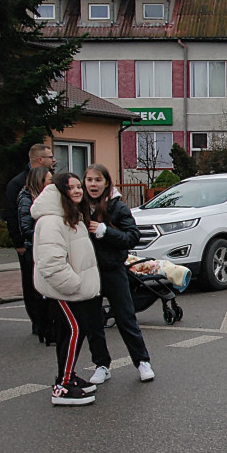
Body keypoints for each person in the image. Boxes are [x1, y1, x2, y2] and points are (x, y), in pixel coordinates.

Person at [31, 173, 101, 406]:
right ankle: (63, 386)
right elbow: (51, 262)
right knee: (74, 330)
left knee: (69, 333)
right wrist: (74, 285)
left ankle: (66, 375)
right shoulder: (52, 220)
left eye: (79, 186)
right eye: (71, 188)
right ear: (61, 192)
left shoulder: (71, 215)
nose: (78, 191)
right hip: (64, 291)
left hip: (71, 290)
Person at [82, 164, 155, 385]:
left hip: (113, 270)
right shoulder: (79, 206)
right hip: (88, 272)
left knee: (125, 317)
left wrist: (107, 231)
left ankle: (142, 361)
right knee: (93, 322)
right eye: (89, 180)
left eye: (98, 180)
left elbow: (133, 236)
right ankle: (102, 365)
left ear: (106, 183)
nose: (93, 185)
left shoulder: (117, 207)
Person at [4, 143, 55, 340]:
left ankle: (49, 321)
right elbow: (12, 216)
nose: (54, 161)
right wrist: (18, 243)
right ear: (40, 160)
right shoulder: (18, 185)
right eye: (50, 157)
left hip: (46, 244)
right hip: (29, 244)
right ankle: (38, 322)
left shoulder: (50, 182)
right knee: (31, 284)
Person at [17, 167, 54, 344]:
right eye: (48, 180)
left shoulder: (46, 198)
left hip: (44, 247)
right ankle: (42, 328)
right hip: (34, 250)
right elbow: (25, 228)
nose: (51, 183)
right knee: (39, 291)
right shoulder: (26, 199)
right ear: (39, 182)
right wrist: (44, 236)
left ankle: (49, 327)